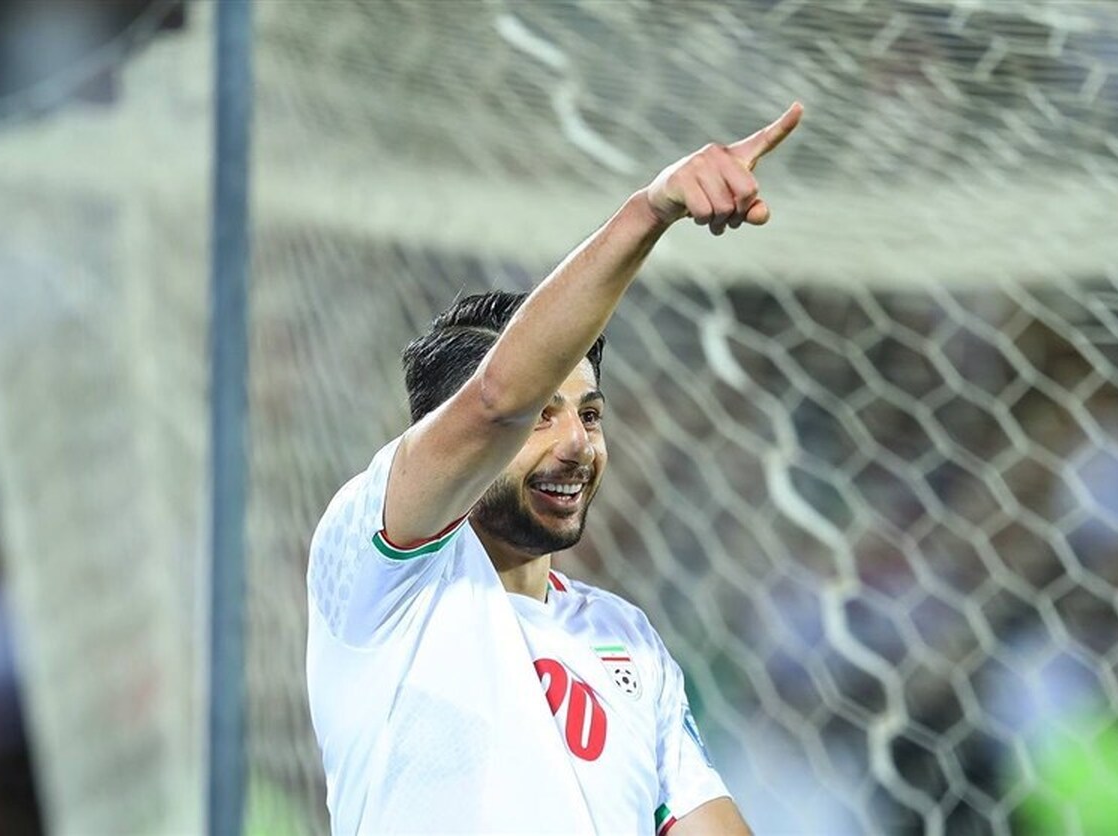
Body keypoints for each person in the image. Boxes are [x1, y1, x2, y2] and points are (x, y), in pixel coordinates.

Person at [306, 102, 803, 835]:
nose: (577, 443)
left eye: (590, 415)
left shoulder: (626, 639)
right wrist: (652, 210)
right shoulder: (381, 572)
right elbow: (494, 402)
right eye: (542, 417)